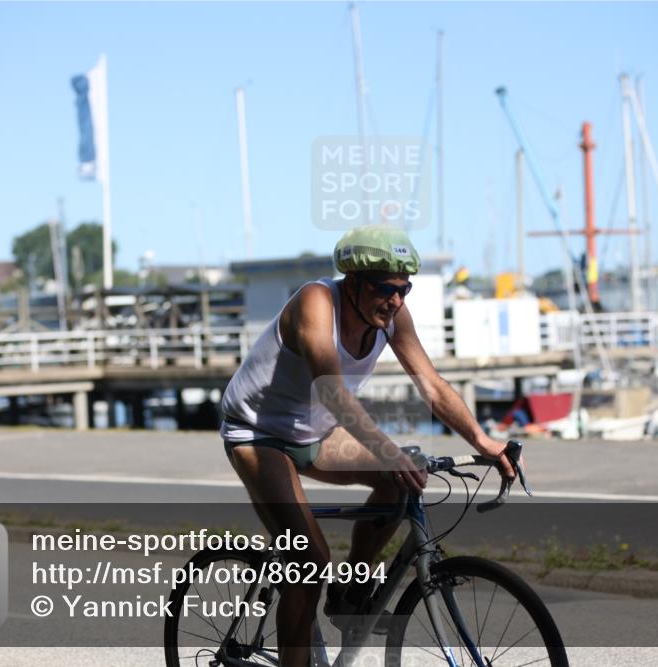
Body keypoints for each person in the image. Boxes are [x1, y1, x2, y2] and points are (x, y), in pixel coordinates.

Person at [220, 225, 520, 666]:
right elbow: (333, 393)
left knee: (399, 482)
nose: (396, 300)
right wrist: (388, 450)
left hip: (317, 433)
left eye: (405, 289)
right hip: (259, 433)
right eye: (386, 289)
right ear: (354, 282)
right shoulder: (316, 304)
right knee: (308, 561)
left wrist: (482, 440)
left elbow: (432, 387)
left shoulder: (393, 317)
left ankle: (350, 596)